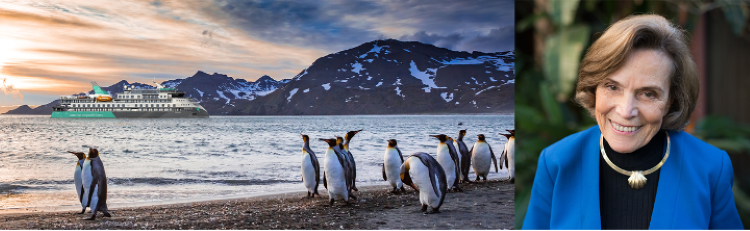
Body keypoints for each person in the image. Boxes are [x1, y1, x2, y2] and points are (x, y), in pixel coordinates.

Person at [523, 14, 744, 230]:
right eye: (612, 87)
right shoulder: (557, 162)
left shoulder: (710, 168)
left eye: (648, 93)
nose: (626, 111)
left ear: (671, 101)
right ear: (594, 88)